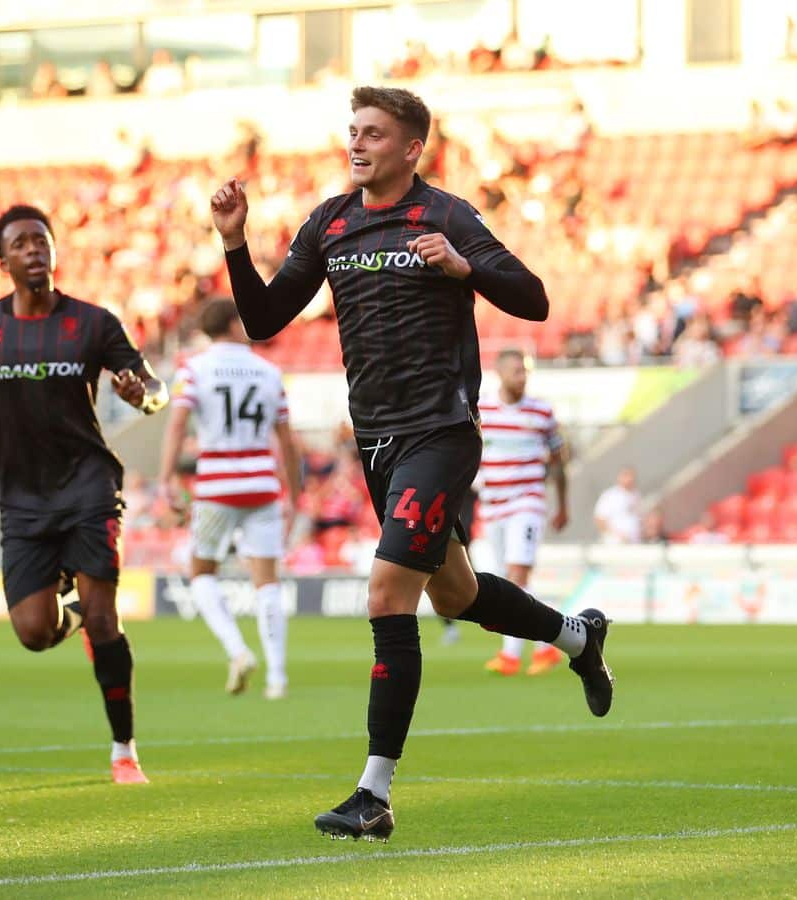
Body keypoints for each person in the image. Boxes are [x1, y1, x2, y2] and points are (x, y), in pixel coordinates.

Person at [210, 85, 613, 842]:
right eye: (352, 131)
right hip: (376, 441)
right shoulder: (329, 222)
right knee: (456, 595)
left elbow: (534, 300)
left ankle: (374, 793)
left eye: (372, 133)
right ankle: (578, 638)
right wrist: (234, 242)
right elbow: (263, 320)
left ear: (410, 148)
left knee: (387, 595)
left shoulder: (446, 216)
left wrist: (464, 268)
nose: (356, 144)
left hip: (441, 432)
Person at [0, 204, 167, 785]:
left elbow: (155, 389)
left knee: (105, 619)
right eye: (20, 243)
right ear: (3, 262)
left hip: (89, 487)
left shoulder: (93, 323)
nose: (34, 250)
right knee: (34, 633)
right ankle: (74, 612)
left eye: (41, 240)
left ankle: (124, 750)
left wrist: (142, 395)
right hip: (22, 498)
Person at [159, 298, 302, 700]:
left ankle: (238, 650)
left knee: (201, 571)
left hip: (217, 484)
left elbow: (177, 426)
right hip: (262, 483)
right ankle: (277, 678)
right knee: (267, 580)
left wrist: (166, 478)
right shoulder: (269, 372)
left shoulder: (193, 369)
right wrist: (294, 493)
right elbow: (287, 441)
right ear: (234, 324)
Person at [478, 349, 569, 678]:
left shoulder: (541, 412)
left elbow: (558, 461)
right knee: (509, 580)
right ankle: (548, 646)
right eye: (516, 370)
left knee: (516, 576)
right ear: (500, 373)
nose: (522, 376)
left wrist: (563, 504)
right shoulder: (482, 409)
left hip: (527, 502)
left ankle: (510, 655)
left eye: (525, 371)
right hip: (493, 504)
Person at [594, 467, 642, 544]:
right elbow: (600, 519)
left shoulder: (636, 495)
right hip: (616, 544)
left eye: (632, 476)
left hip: (634, 543)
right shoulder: (610, 495)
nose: (630, 479)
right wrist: (617, 536)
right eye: (626, 475)